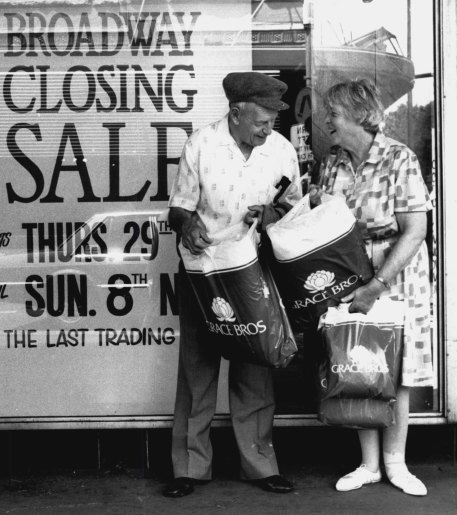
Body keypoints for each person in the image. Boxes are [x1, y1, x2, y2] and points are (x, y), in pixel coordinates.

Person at [163, 71, 302, 498]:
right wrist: (187, 226)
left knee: (255, 367)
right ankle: (188, 467)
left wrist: (274, 216)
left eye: (272, 122)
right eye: (261, 121)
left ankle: (260, 465)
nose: (267, 129)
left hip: (255, 269)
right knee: (197, 367)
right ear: (236, 113)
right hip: (205, 271)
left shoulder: (280, 150)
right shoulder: (200, 145)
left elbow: (296, 210)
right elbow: (178, 210)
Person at [308, 78, 434, 496]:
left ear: (361, 116)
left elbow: (416, 229)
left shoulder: (400, 158)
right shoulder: (334, 162)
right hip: (351, 270)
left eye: (334, 114)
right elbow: (324, 218)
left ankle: (396, 464)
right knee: (358, 362)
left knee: (395, 369)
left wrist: (377, 284)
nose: (327, 121)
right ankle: (368, 465)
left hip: (394, 272)